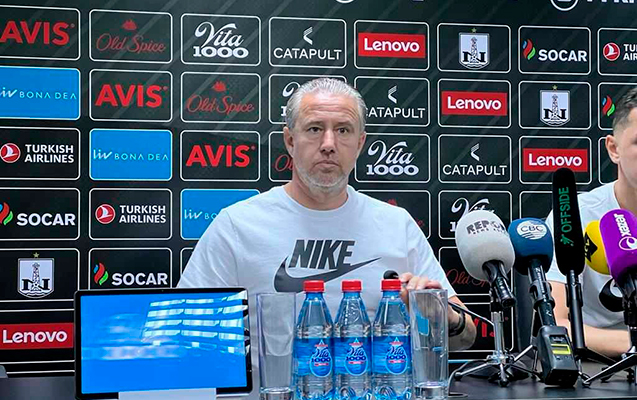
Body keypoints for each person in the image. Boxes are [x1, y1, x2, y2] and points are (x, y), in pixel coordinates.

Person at [179, 78, 476, 394]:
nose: (329, 143)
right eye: (314, 129)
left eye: (343, 130)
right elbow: (183, 337)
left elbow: (467, 337)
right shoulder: (238, 225)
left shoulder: (396, 224)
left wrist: (440, 315)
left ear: (360, 143)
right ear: (290, 140)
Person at [546, 87, 637, 358]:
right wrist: (632, 343)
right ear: (614, 149)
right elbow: (556, 324)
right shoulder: (576, 215)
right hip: (593, 369)